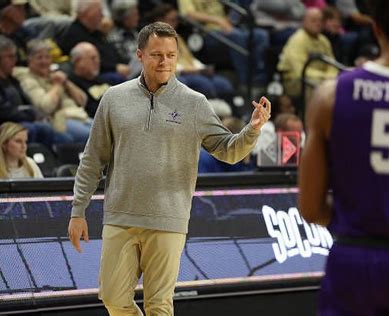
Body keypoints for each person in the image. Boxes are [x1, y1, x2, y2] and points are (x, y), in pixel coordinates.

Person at [67, 22, 272, 315]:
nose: (165, 62)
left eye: (171, 55)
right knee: (113, 299)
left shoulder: (194, 103)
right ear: (140, 55)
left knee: (159, 305)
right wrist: (78, 210)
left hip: (168, 219)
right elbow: (92, 158)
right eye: (156, 55)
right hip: (120, 216)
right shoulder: (114, 98)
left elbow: (228, 151)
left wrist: (252, 130)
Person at [298, 0, 389, 315]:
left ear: (376, 28)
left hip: (355, 257)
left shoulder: (329, 96)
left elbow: (310, 208)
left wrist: (357, 219)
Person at [20, 39, 91, 143]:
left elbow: (83, 101)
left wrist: (66, 83)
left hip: (80, 116)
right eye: (39, 58)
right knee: (96, 138)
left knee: (113, 132)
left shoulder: (56, 75)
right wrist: (57, 85)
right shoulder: (29, 80)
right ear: (29, 60)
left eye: (47, 57)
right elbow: (46, 107)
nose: (44, 61)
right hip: (60, 120)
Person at [68, 42, 111, 118]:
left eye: (98, 58)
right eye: (93, 58)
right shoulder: (72, 84)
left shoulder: (100, 78)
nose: (97, 61)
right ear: (78, 61)